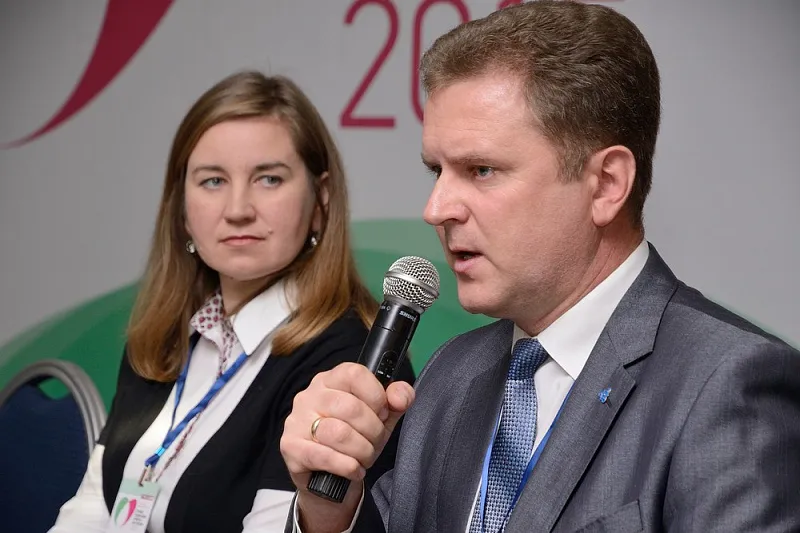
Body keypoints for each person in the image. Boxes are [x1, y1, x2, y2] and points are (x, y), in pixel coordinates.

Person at [279, 1, 800, 532]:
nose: (436, 209)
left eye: (481, 170)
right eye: (437, 170)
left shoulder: (728, 383)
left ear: (606, 185)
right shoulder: (449, 374)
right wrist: (327, 513)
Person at [48, 70, 414, 533]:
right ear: (181, 209)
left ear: (320, 200)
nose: (238, 209)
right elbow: (92, 507)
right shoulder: (163, 337)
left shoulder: (350, 360)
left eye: (268, 179)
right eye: (213, 181)